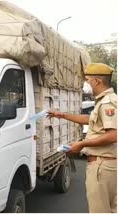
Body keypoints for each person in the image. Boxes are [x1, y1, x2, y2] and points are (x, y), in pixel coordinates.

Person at [49, 63, 117, 213]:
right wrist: (62, 115)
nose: (85, 84)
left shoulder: (107, 102)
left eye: (87, 79)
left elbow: (113, 135)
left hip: (101, 167)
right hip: (104, 165)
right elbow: (90, 119)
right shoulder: (104, 100)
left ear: (97, 81)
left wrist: (81, 144)